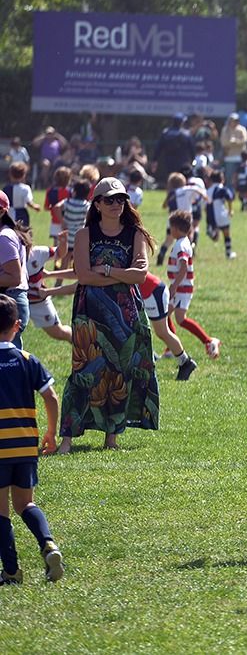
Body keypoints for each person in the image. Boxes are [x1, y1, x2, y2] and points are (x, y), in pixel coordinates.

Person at [58, 178, 158, 453]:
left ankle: (111, 437)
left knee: (119, 371)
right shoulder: (84, 235)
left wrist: (106, 270)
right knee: (84, 371)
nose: (117, 204)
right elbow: (84, 276)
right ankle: (67, 438)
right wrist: (116, 276)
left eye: (121, 199)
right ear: (98, 204)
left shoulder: (134, 234)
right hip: (89, 312)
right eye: (110, 199)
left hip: (126, 312)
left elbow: (139, 275)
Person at [0, 293, 64, 585]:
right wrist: (51, 431)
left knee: (1, 510)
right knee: (25, 503)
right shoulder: (27, 359)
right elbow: (50, 396)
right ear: (17, 325)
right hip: (25, 444)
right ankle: (48, 544)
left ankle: (11, 572)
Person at [166, 211, 221, 360]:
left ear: (176, 228)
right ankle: (170, 348)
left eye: (170, 227)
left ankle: (209, 341)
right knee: (165, 315)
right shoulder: (182, 242)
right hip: (179, 286)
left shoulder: (181, 245)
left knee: (180, 319)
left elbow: (183, 267)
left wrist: (174, 286)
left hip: (181, 288)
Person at [0, 192, 31, 350]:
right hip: (10, 301)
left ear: (1, 212)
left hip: (9, 302)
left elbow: (14, 277)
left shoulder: (4, 237)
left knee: (7, 362)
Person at [151, 113, 194, 185]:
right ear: (182, 122)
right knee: (182, 180)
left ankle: (171, 193)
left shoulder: (166, 133)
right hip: (183, 162)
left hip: (169, 161)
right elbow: (192, 149)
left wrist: (155, 160)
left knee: (171, 179)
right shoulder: (186, 134)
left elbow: (158, 148)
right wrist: (192, 160)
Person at [206, 170, 236, 259]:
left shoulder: (208, 190)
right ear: (222, 179)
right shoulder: (222, 189)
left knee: (216, 238)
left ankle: (211, 231)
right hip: (222, 215)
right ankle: (228, 253)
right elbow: (229, 198)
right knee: (226, 234)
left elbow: (205, 204)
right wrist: (230, 210)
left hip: (211, 217)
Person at [219, 113, 247, 188]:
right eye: (232, 120)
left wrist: (234, 142)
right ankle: (229, 194)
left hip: (240, 157)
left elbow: (244, 140)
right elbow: (224, 143)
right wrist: (236, 143)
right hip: (229, 158)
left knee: (241, 178)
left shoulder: (242, 129)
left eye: (235, 120)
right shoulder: (225, 130)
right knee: (229, 177)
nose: (234, 122)